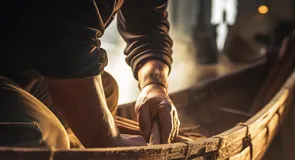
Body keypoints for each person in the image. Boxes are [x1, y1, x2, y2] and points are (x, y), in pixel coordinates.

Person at [0, 0, 180, 148]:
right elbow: (65, 50)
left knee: (107, 90)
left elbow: (148, 28)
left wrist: (154, 86)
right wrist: (112, 144)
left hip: (21, 66)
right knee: (45, 142)